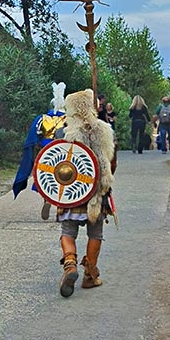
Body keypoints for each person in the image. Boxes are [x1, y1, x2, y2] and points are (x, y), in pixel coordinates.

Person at [56, 89, 116, 298]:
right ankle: (90, 275)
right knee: (95, 233)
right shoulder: (105, 130)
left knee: (68, 230)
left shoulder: (64, 134)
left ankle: (70, 263)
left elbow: (56, 166)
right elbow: (110, 161)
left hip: (72, 192)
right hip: (97, 192)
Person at [12, 82, 66, 220]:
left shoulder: (42, 119)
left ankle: (47, 200)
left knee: (47, 177)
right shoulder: (67, 119)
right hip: (62, 150)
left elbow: (33, 137)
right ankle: (60, 208)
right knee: (64, 177)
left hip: (45, 151)